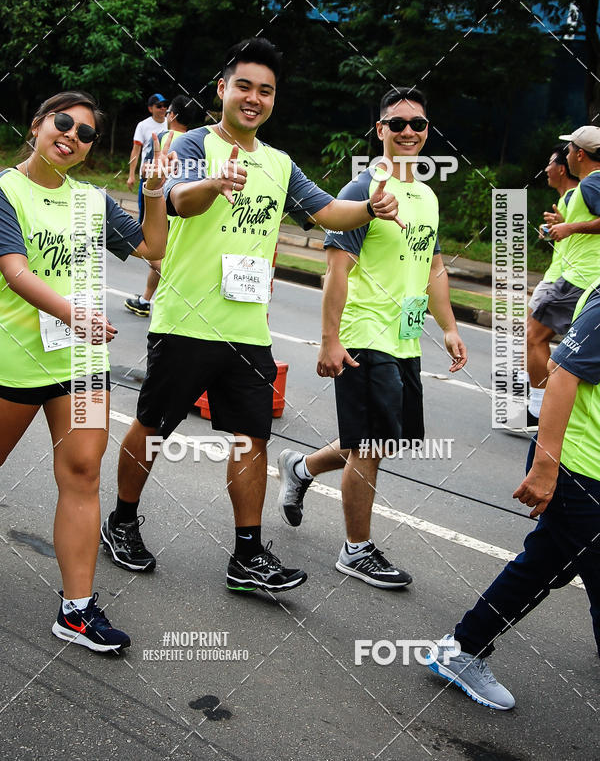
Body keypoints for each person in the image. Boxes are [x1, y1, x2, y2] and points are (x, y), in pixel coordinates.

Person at [101, 37, 401, 593]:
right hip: (186, 320)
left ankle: (247, 554)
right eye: (244, 86)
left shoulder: (279, 163)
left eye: (266, 91)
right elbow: (179, 199)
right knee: (154, 427)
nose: (254, 98)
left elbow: (326, 210)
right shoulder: (191, 142)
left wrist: (370, 206)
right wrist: (217, 183)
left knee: (252, 439)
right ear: (222, 89)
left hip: (246, 328)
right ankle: (120, 521)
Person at [0, 92, 171, 652]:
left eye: (87, 133)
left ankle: (75, 610)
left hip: (81, 363)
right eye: (63, 122)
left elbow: (152, 246)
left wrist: (151, 191)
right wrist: (75, 313)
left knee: (82, 473)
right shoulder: (6, 189)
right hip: (14, 360)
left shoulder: (90, 201)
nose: (72, 135)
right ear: (38, 125)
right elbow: (16, 271)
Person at [277, 87, 467, 588]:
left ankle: (300, 468)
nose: (408, 132)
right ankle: (355, 549)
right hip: (364, 331)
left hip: (403, 335)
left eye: (418, 124)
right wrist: (329, 339)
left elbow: (434, 265)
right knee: (373, 443)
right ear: (380, 130)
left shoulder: (426, 193)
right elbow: (335, 270)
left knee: (379, 434)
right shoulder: (364, 188)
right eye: (397, 123)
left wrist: (447, 327)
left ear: (428, 132)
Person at [427, 272, 600, 710]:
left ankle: (462, 649)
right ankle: (462, 649)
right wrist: (546, 468)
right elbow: (562, 375)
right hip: (579, 470)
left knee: (543, 564)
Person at [527, 126, 600, 425]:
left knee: (534, 336)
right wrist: (564, 223)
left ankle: (539, 410)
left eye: (568, 150)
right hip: (583, 278)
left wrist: (569, 228)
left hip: (579, 279)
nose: (566, 154)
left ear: (580, 154)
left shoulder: (592, 184)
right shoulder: (588, 186)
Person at [124, 94, 195, 317]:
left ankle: (184, 293)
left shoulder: (163, 138)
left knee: (152, 251)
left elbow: (147, 171)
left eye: (167, 111)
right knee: (168, 254)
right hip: (185, 206)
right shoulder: (197, 141)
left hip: (159, 202)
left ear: (172, 115)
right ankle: (145, 300)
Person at [126, 92, 169, 214]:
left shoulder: (170, 123)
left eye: (165, 105)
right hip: (147, 175)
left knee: (163, 212)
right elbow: (136, 151)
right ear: (150, 108)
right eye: (159, 106)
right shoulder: (143, 125)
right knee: (144, 211)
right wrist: (131, 175)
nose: (163, 108)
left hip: (166, 176)